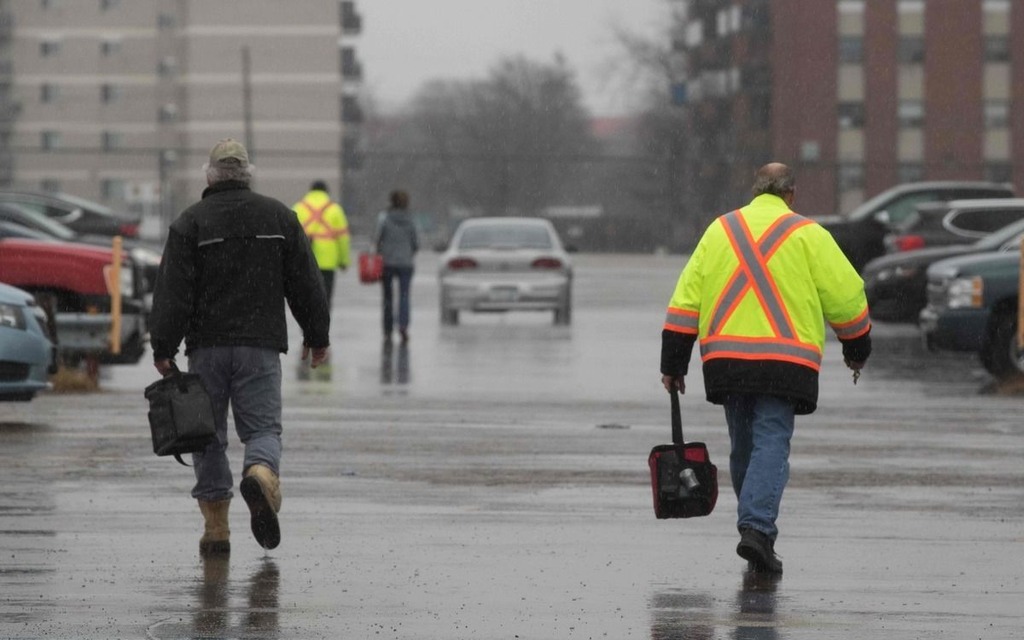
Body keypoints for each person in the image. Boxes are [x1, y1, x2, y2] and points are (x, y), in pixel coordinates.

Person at [660, 162, 871, 574]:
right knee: (771, 441)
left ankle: (757, 533)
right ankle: (756, 528)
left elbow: (686, 297)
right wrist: (856, 346)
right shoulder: (809, 234)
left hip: (727, 361)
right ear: (791, 195)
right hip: (784, 362)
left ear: (755, 191)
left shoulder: (721, 230)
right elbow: (847, 296)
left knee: (744, 446)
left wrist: (674, 361)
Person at [149, 138, 331, 556]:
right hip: (260, 346)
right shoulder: (279, 218)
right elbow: (306, 283)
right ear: (248, 174)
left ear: (209, 176)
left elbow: (172, 292)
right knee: (263, 429)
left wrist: (163, 346)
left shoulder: (190, 223)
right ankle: (262, 475)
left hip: (207, 348)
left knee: (206, 435)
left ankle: (216, 529)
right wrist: (316, 335)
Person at [292, 180, 350, 305]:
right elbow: (343, 238)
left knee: (306, 296)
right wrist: (343, 260)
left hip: (304, 260)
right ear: (326, 191)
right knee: (325, 297)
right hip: (328, 261)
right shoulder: (335, 209)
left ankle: (307, 322)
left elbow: (291, 236)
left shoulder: (298, 207)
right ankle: (323, 322)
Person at [373, 189, 418, 342]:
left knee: (387, 298)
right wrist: (408, 252)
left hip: (388, 263)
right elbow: (416, 243)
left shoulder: (385, 219)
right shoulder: (411, 220)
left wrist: (382, 251)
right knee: (404, 296)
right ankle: (403, 326)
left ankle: (387, 329)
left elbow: (378, 240)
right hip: (406, 263)